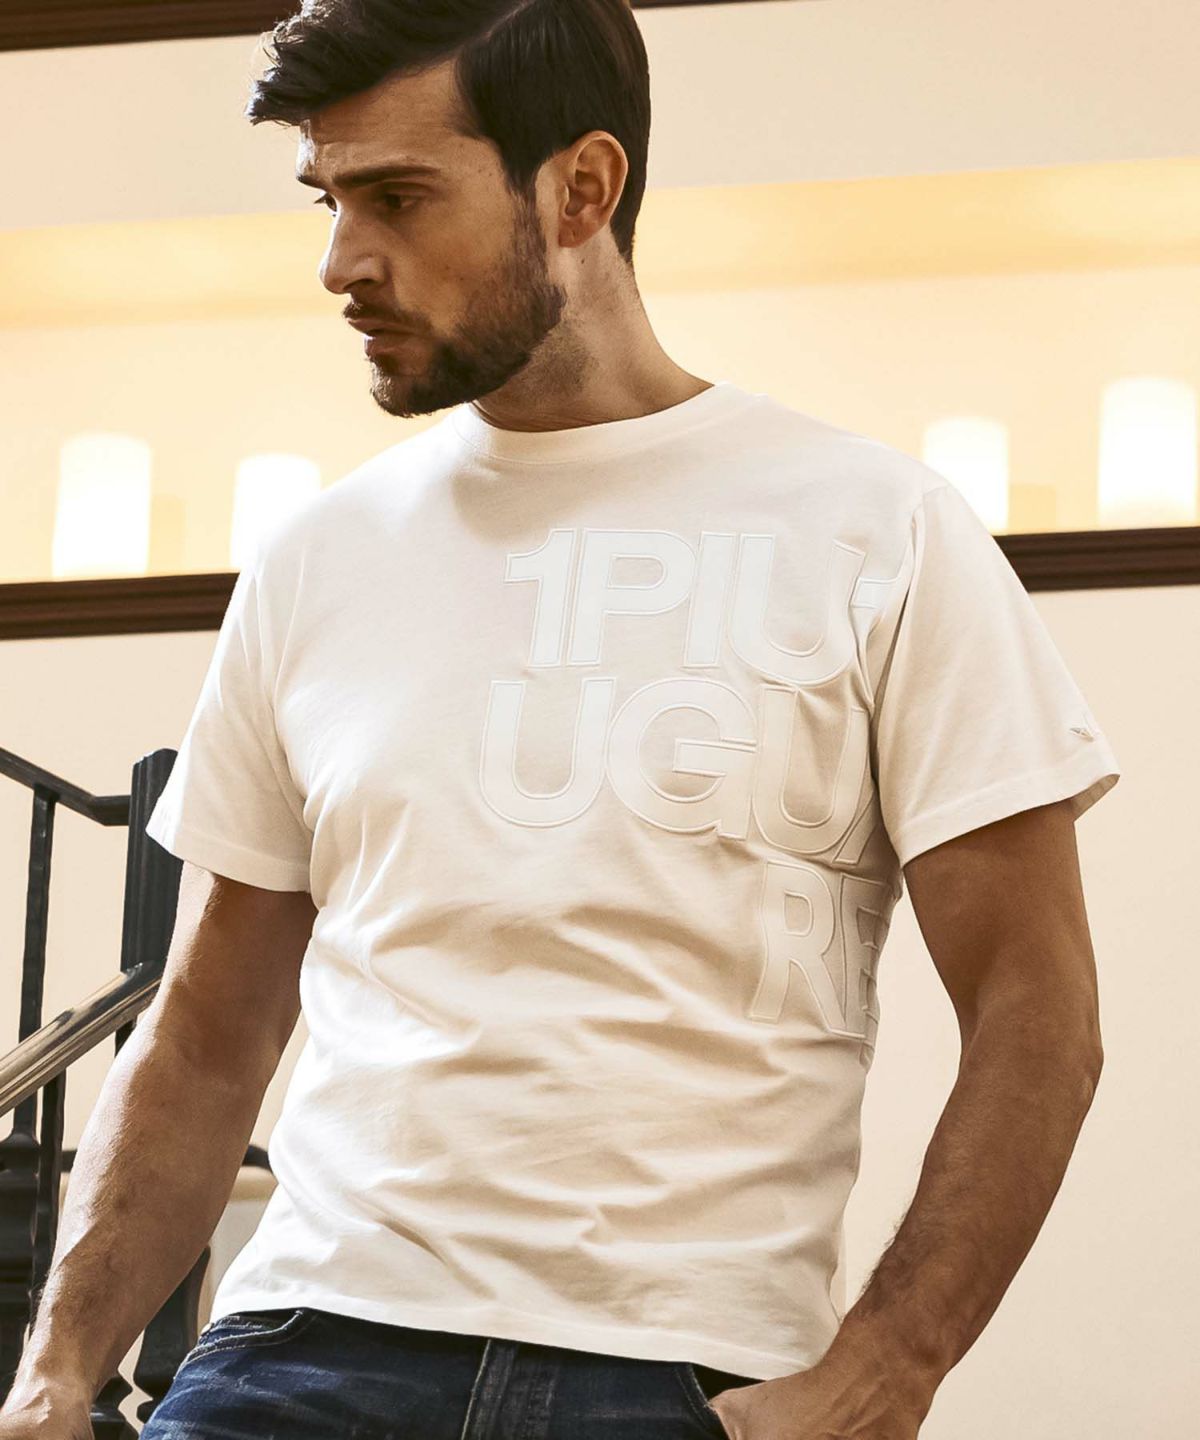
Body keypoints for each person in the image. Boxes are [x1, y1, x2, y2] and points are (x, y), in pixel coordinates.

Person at [4, 2, 1120, 1438]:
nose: (343, 262)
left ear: (582, 188)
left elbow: (1039, 1013)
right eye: (330, 202)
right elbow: (210, 1034)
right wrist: (57, 1367)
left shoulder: (878, 528)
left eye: (399, 198)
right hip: (302, 1355)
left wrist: (884, 1374)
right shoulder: (316, 560)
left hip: (681, 1377)